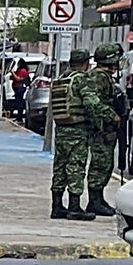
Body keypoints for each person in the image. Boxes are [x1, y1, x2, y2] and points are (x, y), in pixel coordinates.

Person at [78, 43, 127, 218]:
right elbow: (92, 102)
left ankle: (98, 199)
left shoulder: (106, 77)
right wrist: (111, 115)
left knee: (106, 164)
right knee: (100, 164)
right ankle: (94, 200)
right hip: (101, 129)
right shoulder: (99, 77)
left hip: (107, 129)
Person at [48, 49, 96, 220]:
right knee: (76, 166)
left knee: (60, 167)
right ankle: (74, 207)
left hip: (61, 129)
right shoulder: (81, 79)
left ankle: (57, 206)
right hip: (77, 129)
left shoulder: (61, 78)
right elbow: (91, 103)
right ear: (84, 63)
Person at [11, 58, 31, 123]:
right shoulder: (21, 70)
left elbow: (18, 79)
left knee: (19, 103)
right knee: (18, 102)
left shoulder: (23, 71)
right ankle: (18, 117)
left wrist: (13, 73)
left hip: (20, 88)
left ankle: (19, 117)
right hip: (17, 88)